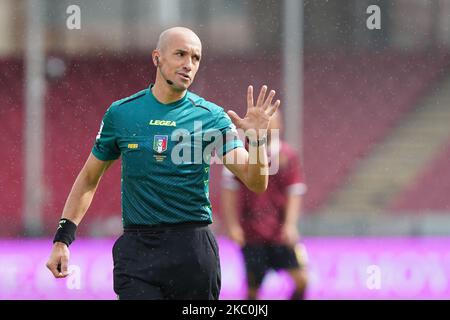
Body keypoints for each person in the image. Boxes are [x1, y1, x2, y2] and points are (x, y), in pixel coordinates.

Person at [46, 26, 280, 300]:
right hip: (138, 251)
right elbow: (89, 178)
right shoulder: (122, 113)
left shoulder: (212, 118)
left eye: (195, 58)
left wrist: (258, 140)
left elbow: (255, 181)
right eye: (180, 54)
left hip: (193, 251)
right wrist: (63, 238)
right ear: (157, 57)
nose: (188, 64)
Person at [221, 111, 309, 300]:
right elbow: (229, 191)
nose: (267, 125)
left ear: (280, 126)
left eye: (270, 121)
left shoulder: (288, 155)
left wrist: (290, 225)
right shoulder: (239, 152)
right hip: (252, 232)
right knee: (253, 290)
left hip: (280, 234)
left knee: (302, 280)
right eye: (263, 121)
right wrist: (232, 226)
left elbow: (294, 193)